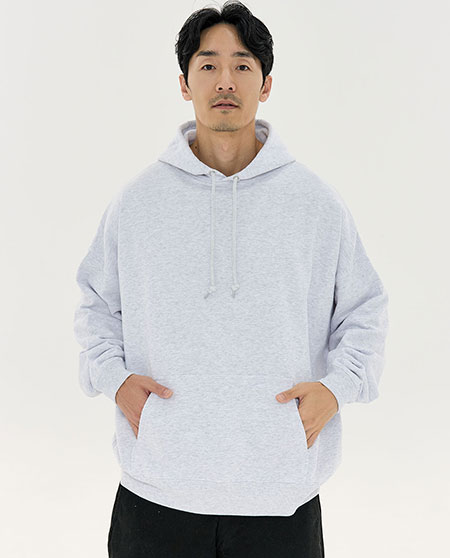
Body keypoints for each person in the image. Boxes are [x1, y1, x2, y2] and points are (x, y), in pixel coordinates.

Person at [73, 1, 389, 556]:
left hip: (280, 495)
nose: (225, 80)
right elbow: (95, 305)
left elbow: (365, 309)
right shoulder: (138, 202)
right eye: (208, 64)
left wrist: (336, 390)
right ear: (184, 82)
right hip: (156, 491)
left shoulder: (315, 203)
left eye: (242, 65)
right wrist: (114, 380)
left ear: (265, 85)